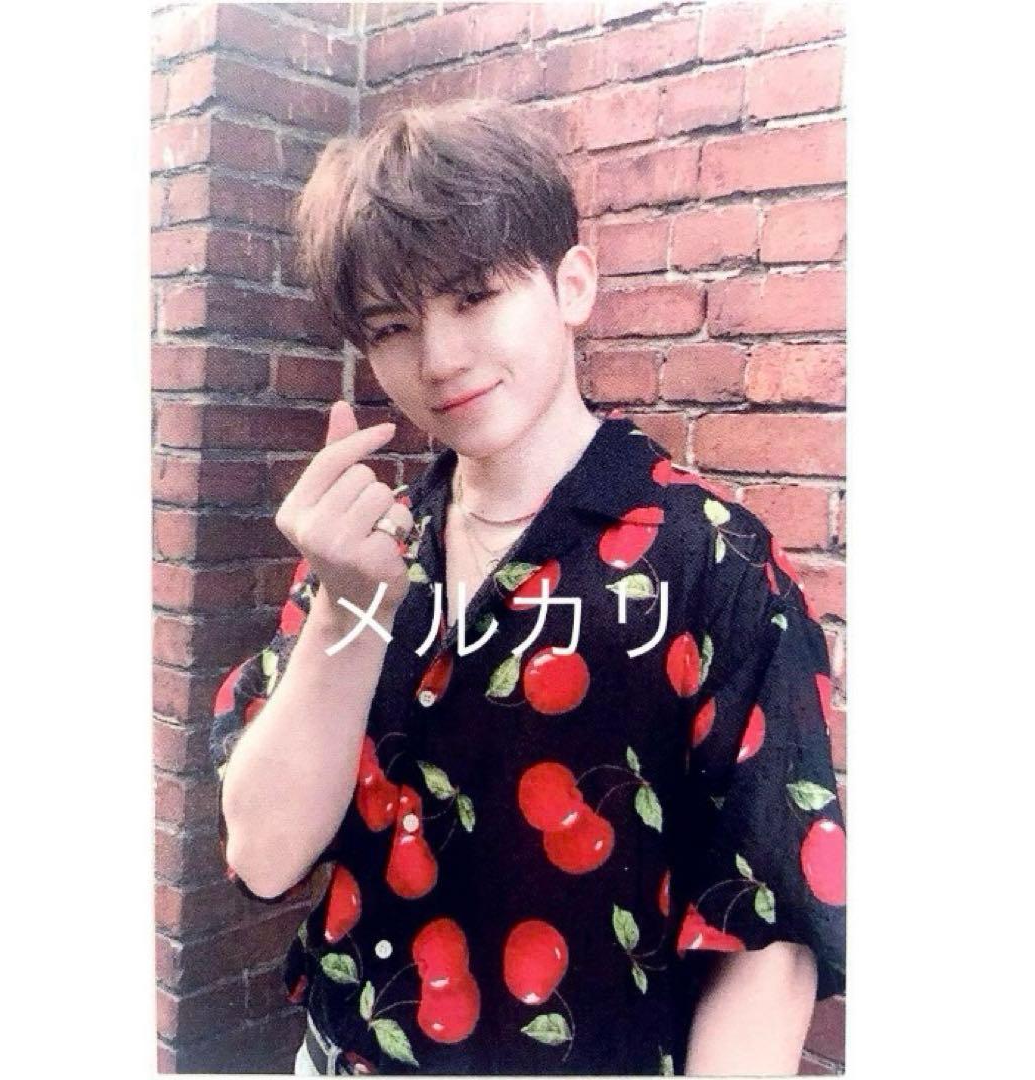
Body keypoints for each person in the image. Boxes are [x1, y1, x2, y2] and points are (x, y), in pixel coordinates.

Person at [210, 99, 845, 1076]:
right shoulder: (365, 548)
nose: (439, 358)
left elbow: (767, 930)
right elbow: (263, 853)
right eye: (393, 325)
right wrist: (347, 606)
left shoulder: (713, 562)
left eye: (474, 297)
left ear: (572, 285)